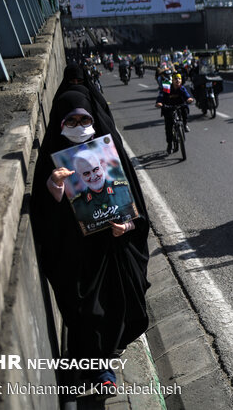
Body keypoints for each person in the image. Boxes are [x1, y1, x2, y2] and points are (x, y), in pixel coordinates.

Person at [30, 86, 151, 395]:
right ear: (59, 123)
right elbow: (43, 215)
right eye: (69, 121)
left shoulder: (108, 154)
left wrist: (125, 226)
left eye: (83, 119)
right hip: (76, 252)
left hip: (111, 247)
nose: (78, 127)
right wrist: (54, 188)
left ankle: (107, 357)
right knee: (87, 310)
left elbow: (131, 201)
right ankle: (100, 368)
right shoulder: (52, 160)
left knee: (118, 301)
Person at [70, 149, 135, 229]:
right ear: (80, 176)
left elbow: (137, 219)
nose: (93, 176)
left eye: (95, 169)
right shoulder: (78, 204)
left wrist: (126, 227)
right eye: (86, 173)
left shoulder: (123, 189)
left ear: (101, 166)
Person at [155, 73, 194, 154]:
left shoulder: (181, 88)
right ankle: (169, 144)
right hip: (168, 107)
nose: (177, 80)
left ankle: (185, 124)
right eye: (175, 79)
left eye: (179, 79)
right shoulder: (167, 87)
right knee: (168, 126)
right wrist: (159, 103)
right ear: (172, 80)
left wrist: (189, 98)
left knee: (185, 110)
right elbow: (161, 96)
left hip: (180, 105)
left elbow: (187, 95)